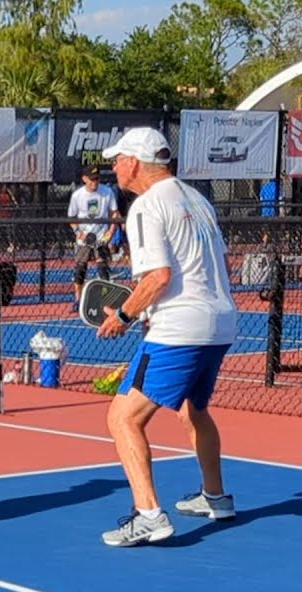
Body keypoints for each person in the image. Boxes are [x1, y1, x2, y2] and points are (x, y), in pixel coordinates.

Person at [95, 127, 239, 547]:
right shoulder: (197, 199)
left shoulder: (145, 206)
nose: (114, 167)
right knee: (194, 410)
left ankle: (148, 515)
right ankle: (216, 497)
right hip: (221, 322)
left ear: (135, 163)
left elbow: (159, 277)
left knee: (123, 418)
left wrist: (124, 314)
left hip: (181, 327)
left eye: (118, 159)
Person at [67, 165, 121, 312]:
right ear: (84, 179)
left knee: (102, 269)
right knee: (80, 269)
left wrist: (111, 231)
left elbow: (115, 213)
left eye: (97, 179)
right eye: (92, 179)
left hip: (101, 237)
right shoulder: (77, 196)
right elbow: (71, 218)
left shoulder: (107, 192)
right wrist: (79, 232)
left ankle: (106, 301)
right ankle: (77, 300)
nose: (95, 182)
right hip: (84, 239)